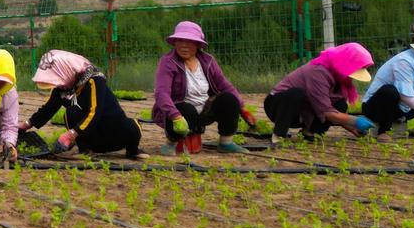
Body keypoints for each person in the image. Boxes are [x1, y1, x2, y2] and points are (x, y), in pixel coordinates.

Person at [151, 20, 257, 155]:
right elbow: (162, 93)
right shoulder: (167, 62)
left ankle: (226, 143)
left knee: (229, 99)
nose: (184, 45)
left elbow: (224, 85)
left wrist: (242, 108)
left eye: (189, 42)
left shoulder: (208, 61)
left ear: (197, 45)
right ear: (175, 42)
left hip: (204, 110)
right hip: (179, 112)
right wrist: (175, 116)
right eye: (180, 41)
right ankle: (171, 142)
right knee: (186, 109)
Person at [21, 49, 141, 158]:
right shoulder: (62, 88)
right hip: (93, 138)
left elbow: (94, 112)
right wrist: (27, 124)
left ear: (66, 70)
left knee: (132, 128)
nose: (57, 84)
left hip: (114, 133)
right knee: (71, 112)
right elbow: (48, 109)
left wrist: (71, 134)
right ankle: (85, 150)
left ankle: (133, 151)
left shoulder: (94, 81)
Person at [264, 42, 375, 142]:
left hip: (305, 110)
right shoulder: (318, 72)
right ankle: (278, 134)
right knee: (295, 94)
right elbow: (326, 111)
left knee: (340, 104)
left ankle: (309, 133)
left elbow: (334, 110)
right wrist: (355, 121)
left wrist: (352, 128)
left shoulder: (340, 79)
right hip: (278, 106)